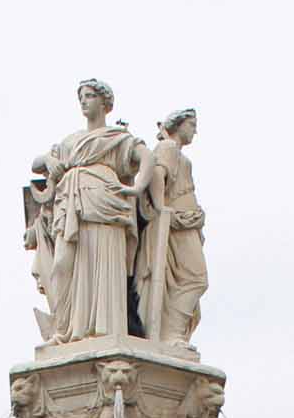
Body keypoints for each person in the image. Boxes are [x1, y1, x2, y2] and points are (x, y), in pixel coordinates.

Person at [26, 79, 144, 344]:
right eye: (81, 96)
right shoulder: (71, 141)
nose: (83, 101)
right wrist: (49, 160)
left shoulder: (117, 138)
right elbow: (37, 163)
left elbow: (145, 158)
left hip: (105, 205)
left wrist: (139, 189)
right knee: (62, 266)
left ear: (104, 103)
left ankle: (104, 329)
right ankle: (65, 329)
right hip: (70, 205)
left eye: (89, 96)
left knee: (103, 262)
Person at [132, 108, 208, 352]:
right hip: (176, 224)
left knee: (192, 279)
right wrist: (163, 209)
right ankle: (172, 334)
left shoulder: (177, 153)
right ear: (178, 125)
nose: (195, 130)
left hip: (187, 223)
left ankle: (174, 333)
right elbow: (156, 172)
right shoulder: (168, 148)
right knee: (195, 278)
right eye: (192, 124)